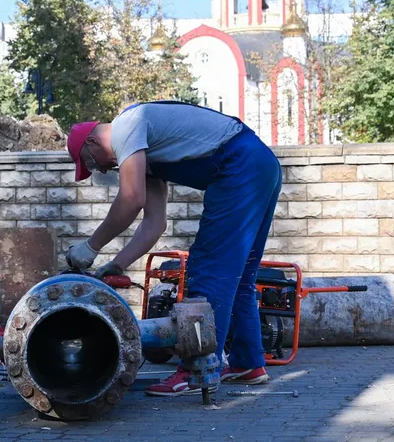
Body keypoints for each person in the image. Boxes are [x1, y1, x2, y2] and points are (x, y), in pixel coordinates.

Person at [64, 100, 282, 396]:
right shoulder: (145, 155)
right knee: (239, 276)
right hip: (260, 164)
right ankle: (247, 363)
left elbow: (131, 199)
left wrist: (91, 247)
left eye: (91, 163)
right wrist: (117, 264)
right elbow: (154, 223)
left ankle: (196, 371)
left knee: (208, 271)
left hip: (240, 163)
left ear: (92, 142)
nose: (100, 169)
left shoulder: (127, 125)